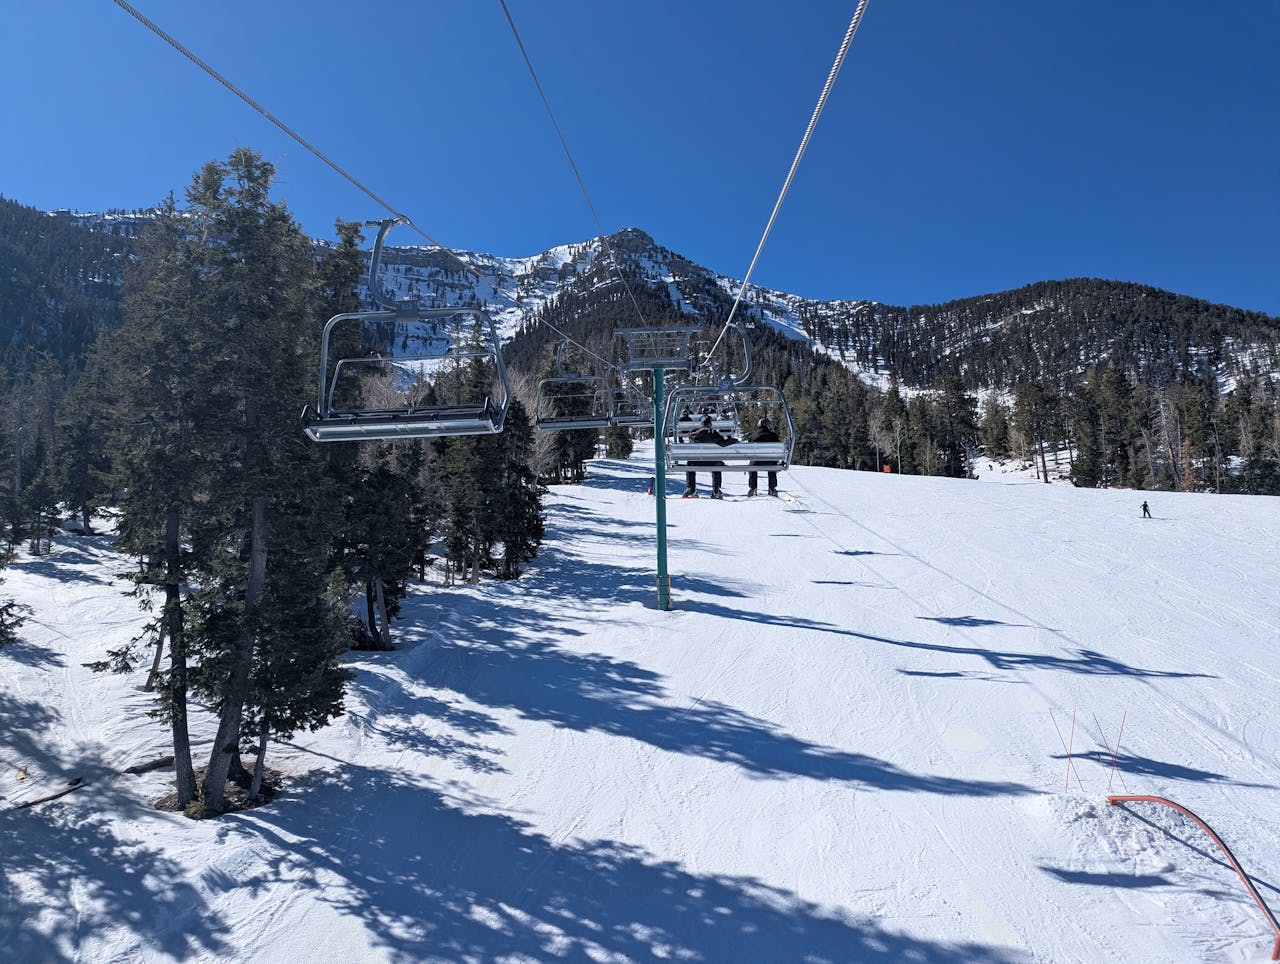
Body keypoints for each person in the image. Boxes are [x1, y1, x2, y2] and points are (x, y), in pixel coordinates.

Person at [683, 414, 736, 498]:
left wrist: (700, 431)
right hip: (712, 462)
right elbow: (723, 443)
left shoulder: (694, 433)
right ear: (710, 424)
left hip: (696, 462)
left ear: (701, 423)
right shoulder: (713, 434)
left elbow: (690, 436)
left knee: (689, 463)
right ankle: (716, 490)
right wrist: (733, 440)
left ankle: (691, 489)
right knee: (718, 463)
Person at [746, 417, 781, 497]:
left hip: (756, 462)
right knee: (772, 466)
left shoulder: (753, 436)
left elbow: (749, 450)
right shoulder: (773, 435)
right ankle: (772, 488)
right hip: (770, 461)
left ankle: (753, 488)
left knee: (752, 466)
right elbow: (778, 449)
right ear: (768, 426)